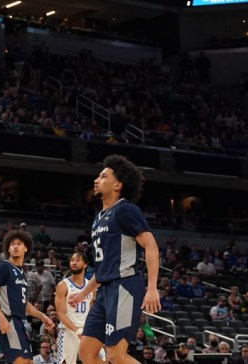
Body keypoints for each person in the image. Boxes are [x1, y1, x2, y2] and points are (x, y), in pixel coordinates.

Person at [68, 155, 161, 364]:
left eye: (103, 176)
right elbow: (104, 267)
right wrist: (84, 292)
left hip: (125, 286)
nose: (96, 180)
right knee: (87, 352)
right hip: (105, 290)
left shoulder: (125, 209)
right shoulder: (98, 218)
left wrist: (152, 287)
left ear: (118, 184)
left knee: (116, 355)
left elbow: (151, 245)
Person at [0, 229, 54, 364]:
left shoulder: (21, 272)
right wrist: (2, 317)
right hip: (8, 320)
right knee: (21, 361)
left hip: (19, 323)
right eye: (12, 244)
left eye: (19, 244)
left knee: (28, 362)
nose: (15, 246)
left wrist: (42, 316)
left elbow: (24, 304)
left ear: (26, 248)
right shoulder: (3, 267)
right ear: (8, 249)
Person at [55, 252, 103, 364]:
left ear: (85, 264)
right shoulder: (63, 285)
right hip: (69, 331)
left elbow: (92, 310)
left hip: (88, 331)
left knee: (101, 360)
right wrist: (77, 330)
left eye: (77, 260)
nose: (74, 263)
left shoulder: (91, 286)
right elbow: (60, 314)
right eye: (72, 260)